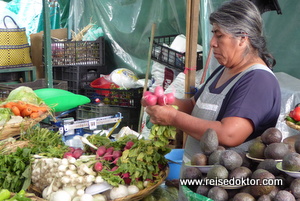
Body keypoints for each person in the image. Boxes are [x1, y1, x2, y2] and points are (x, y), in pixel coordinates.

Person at [143, 0, 281, 164]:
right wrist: (167, 102)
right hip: (195, 179)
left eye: (219, 35)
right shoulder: (224, 69)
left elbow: (229, 134)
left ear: (243, 39)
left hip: (223, 185)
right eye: (213, 33)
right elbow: (195, 106)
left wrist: (173, 117)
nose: (212, 42)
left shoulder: (258, 80)